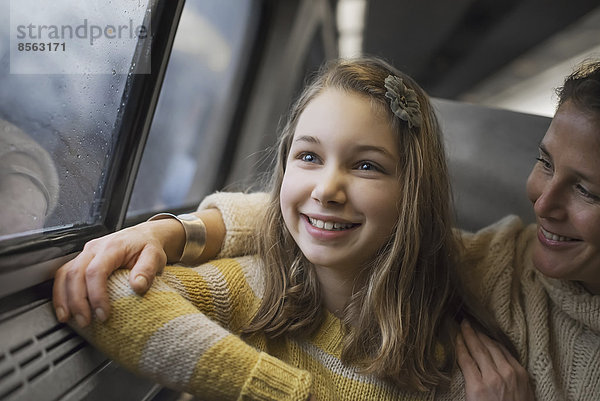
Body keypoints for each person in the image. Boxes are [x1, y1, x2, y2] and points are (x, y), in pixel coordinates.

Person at [53, 58, 533, 400]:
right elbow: (112, 293)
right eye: (308, 157)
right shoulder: (260, 286)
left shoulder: (458, 347)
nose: (327, 189)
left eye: (366, 166)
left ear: (413, 193)